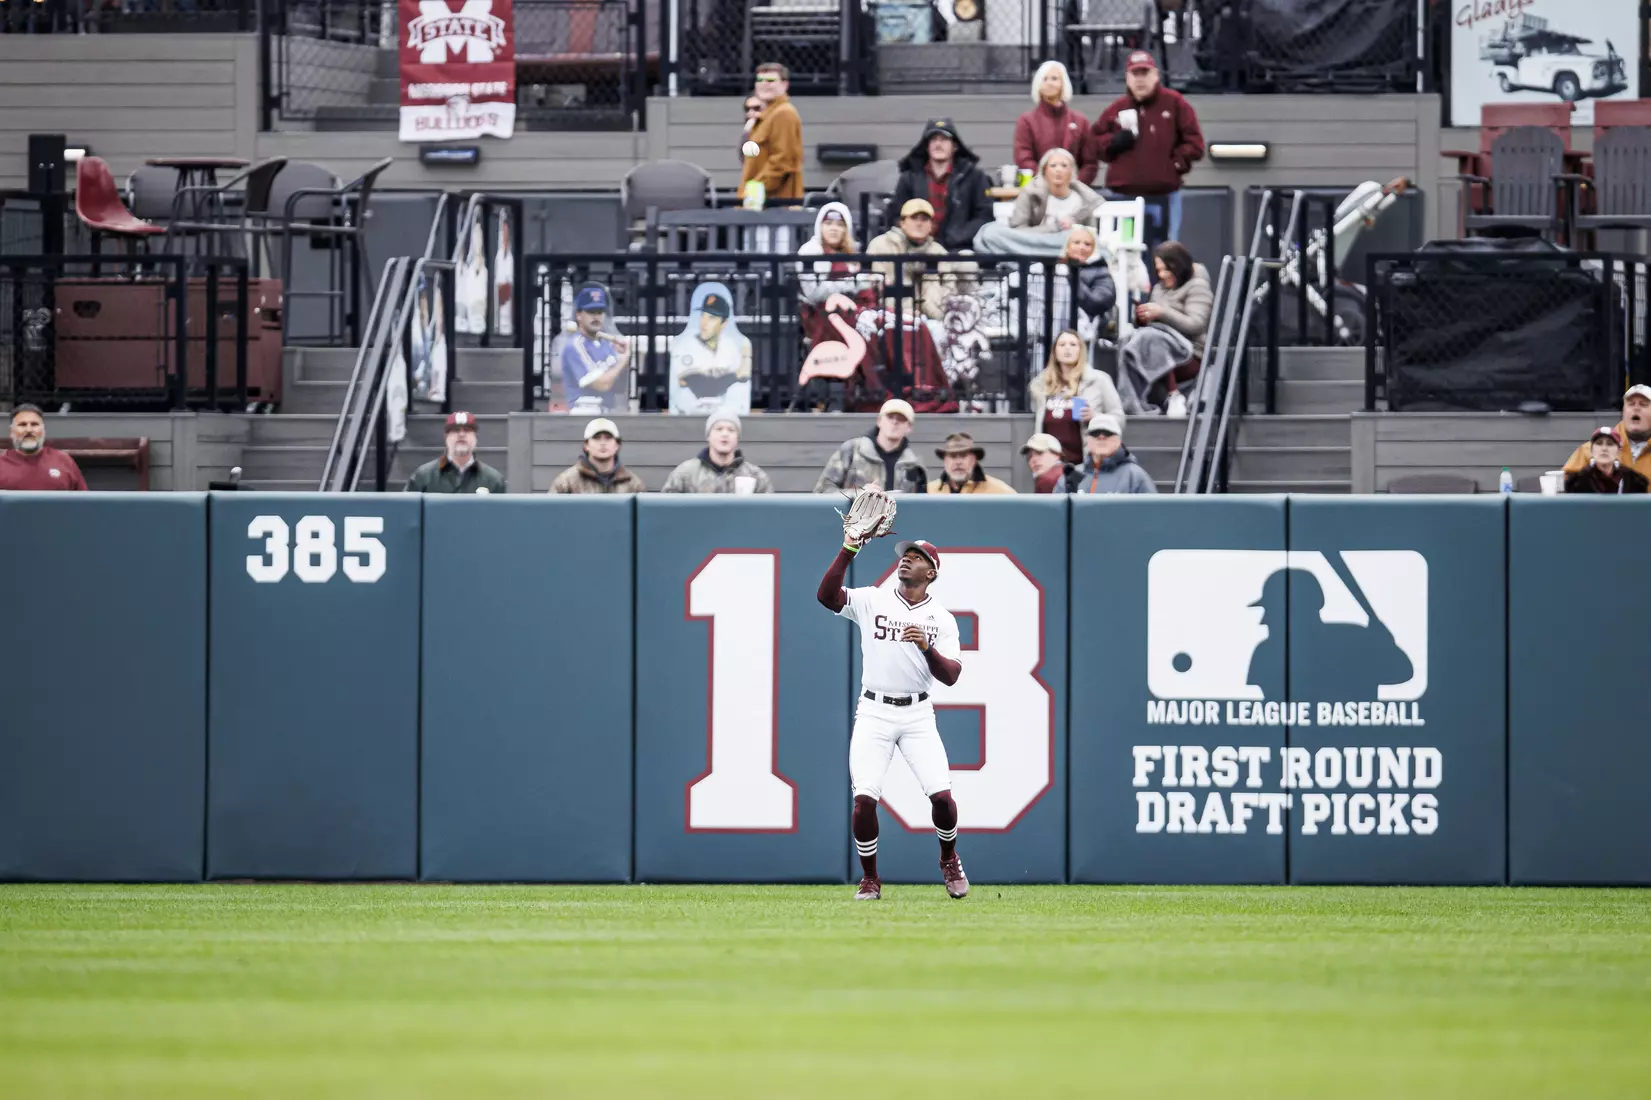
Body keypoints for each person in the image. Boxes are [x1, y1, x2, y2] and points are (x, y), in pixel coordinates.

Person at [816, 535, 967, 901]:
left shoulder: (941, 619)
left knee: (942, 798)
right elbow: (827, 596)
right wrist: (847, 549)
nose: (906, 560)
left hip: (917, 713)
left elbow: (951, 675)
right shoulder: (874, 598)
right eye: (904, 556)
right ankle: (870, 878)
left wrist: (926, 647)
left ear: (931, 573)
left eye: (916, 558)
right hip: (874, 710)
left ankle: (949, 857)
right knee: (864, 799)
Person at [1089, 50, 1204, 255]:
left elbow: (1195, 144)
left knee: (1165, 254)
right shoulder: (1117, 108)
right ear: (1127, 78)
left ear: (1156, 75)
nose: (1140, 79)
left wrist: (1173, 165)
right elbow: (1093, 143)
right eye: (1135, 74)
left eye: (1145, 73)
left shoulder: (1175, 103)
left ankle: (1161, 289)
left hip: (1164, 195)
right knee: (1122, 253)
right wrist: (1113, 142)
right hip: (1122, 197)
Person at [1117, 241, 1212, 417]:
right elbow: (1153, 325)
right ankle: (1133, 403)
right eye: (1158, 270)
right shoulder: (1158, 289)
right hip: (1158, 344)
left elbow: (1196, 324)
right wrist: (1142, 318)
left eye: (1166, 269)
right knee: (1128, 339)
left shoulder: (1197, 286)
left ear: (1178, 265)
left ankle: (1174, 395)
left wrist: (1162, 312)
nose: (1161, 274)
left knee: (1152, 338)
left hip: (1191, 353)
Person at [889, 118, 996, 253]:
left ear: (955, 146)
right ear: (926, 146)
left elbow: (985, 217)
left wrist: (958, 236)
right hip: (916, 250)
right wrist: (916, 232)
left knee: (968, 264)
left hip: (961, 249)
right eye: (933, 139)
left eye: (944, 139)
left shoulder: (974, 176)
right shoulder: (909, 178)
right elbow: (895, 216)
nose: (938, 144)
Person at [973, 148, 1103, 257]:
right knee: (991, 231)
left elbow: (1089, 237)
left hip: (1065, 247)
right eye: (1053, 165)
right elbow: (1018, 231)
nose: (1058, 170)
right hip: (1033, 242)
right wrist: (1054, 227)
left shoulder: (1084, 199)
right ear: (1044, 170)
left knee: (1072, 239)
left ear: (1072, 171)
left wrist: (1073, 229)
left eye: (1064, 166)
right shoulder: (1031, 193)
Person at [1028, 328, 1125, 464]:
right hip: (1052, 466)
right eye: (1062, 345)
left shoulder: (1098, 380)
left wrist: (1095, 417)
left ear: (1081, 350)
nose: (1067, 348)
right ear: (1055, 352)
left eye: (1073, 345)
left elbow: (1119, 418)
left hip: (1086, 463)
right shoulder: (1041, 385)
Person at [867, 199, 967, 322]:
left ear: (931, 226)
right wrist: (901, 311)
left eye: (924, 219)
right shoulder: (881, 245)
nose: (919, 223)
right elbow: (874, 287)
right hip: (891, 317)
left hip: (933, 318)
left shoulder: (937, 251)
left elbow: (950, 287)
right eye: (914, 218)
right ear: (902, 223)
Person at [814, 398, 927, 493]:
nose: (894, 422)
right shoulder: (851, 451)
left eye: (901, 419)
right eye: (890, 417)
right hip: (853, 519)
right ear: (879, 421)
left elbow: (921, 508)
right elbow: (822, 491)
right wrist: (858, 494)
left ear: (909, 428)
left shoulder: (914, 466)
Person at [668, 290, 752, 416]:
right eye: (703, 315)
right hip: (688, 416)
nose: (704, 322)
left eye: (712, 318)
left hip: (723, 415)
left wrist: (730, 378)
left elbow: (742, 379)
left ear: (724, 323)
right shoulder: (684, 345)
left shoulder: (730, 347)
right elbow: (701, 387)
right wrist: (734, 376)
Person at [1014, 60, 1096, 186]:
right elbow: (1024, 158)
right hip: (1039, 191)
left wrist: (1074, 186)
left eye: (1054, 78)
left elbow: (1090, 162)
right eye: (1044, 79)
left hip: (1074, 193)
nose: (1049, 83)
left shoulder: (1081, 121)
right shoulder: (1026, 121)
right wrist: (1048, 183)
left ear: (1063, 83)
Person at [661, 412, 774, 494]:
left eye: (731, 430)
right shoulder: (685, 473)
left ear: (737, 438)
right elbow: (665, 511)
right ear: (708, 436)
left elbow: (769, 516)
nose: (725, 434)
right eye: (719, 429)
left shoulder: (756, 476)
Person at [739, 62, 803, 204]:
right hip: (760, 205)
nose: (764, 84)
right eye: (760, 80)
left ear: (784, 85)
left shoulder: (784, 113)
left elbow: (783, 161)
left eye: (771, 80)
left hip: (775, 205)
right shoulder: (765, 116)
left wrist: (755, 189)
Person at [560, 284, 630, 414]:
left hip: (607, 412)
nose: (596, 317)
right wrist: (623, 360)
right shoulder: (575, 345)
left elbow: (619, 388)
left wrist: (623, 357)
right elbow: (601, 385)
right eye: (591, 312)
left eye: (600, 312)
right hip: (583, 413)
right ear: (579, 315)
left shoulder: (607, 344)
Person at [1563, 385, 1651, 482]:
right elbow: (1563, 488)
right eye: (1630, 404)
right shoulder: (1589, 451)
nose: (1636, 408)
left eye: (1643, 404)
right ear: (1623, 411)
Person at [405, 410, 505, 494]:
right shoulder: (423, 477)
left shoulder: (493, 480)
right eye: (455, 430)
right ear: (446, 438)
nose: (461, 434)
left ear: (476, 438)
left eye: (467, 430)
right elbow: (406, 512)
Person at [1054, 413, 1157, 494]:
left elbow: (1153, 515)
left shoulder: (1135, 476)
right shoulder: (1071, 476)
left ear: (1119, 440)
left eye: (1108, 433)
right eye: (1095, 433)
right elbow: (1057, 515)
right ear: (1088, 440)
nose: (1101, 437)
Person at [0, 405, 86, 491]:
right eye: (22, 425)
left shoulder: (63, 460)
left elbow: (84, 501)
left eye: (34, 424)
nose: (29, 430)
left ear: (43, 430)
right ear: (11, 432)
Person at [551, 417, 646, 494]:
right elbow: (549, 515)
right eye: (596, 438)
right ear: (586, 445)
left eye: (608, 438)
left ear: (617, 445)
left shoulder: (633, 484)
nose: (603, 443)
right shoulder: (566, 482)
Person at [797, 202, 863, 305]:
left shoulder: (850, 253)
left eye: (840, 225)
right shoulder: (809, 251)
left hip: (852, 307)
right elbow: (815, 294)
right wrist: (856, 282)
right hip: (821, 312)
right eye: (828, 223)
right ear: (820, 226)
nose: (834, 228)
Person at [1564, 426, 1650, 494]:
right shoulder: (1576, 482)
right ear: (1591, 450)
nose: (1604, 448)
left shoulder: (1634, 481)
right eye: (1599, 443)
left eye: (1610, 444)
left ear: (1618, 451)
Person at [929, 433, 1015, 494]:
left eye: (964, 456)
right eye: (952, 456)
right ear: (945, 461)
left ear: (974, 460)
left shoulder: (1000, 492)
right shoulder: (929, 492)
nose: (958, 462)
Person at [739, 93, 763, 166]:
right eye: (747, 109)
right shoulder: (748, 129)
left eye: (756, 108)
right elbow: (742, 156)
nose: (751, 112)